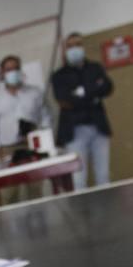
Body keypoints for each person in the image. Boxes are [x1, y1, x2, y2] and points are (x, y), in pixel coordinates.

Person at [0, 54, 50, 203]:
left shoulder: (35, 93)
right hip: (7, 150)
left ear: (21, 69)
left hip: (32, 147)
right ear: (2, 73)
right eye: (8, 69)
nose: (13, 72)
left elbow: (45, 117)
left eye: (16, 68)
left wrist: (43, 141)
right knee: (10, 194)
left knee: (36, 190)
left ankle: (39, 223)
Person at [49, 33, 114, 188]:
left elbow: (107, 87)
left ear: (83, 47)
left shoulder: (95, 68)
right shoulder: (59, 75)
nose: (74, 48)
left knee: (103, 176)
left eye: (78, 44)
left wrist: (80, 93)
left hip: (99, 127)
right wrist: (93, 94)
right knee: (78, 180)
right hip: (74, 131)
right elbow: (64, 100)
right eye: (70, 46)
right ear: (65, 50)